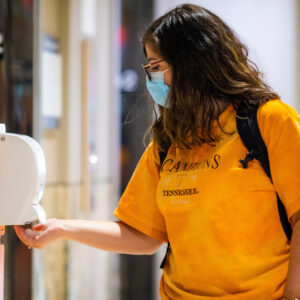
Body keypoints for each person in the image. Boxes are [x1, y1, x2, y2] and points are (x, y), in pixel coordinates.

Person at [14, 4, 300, 300]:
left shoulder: (269, 122)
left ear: (193, 63)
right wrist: (61, 228)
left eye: (156, 66)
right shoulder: (168, 142)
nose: (151, 78)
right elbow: (145, 235)